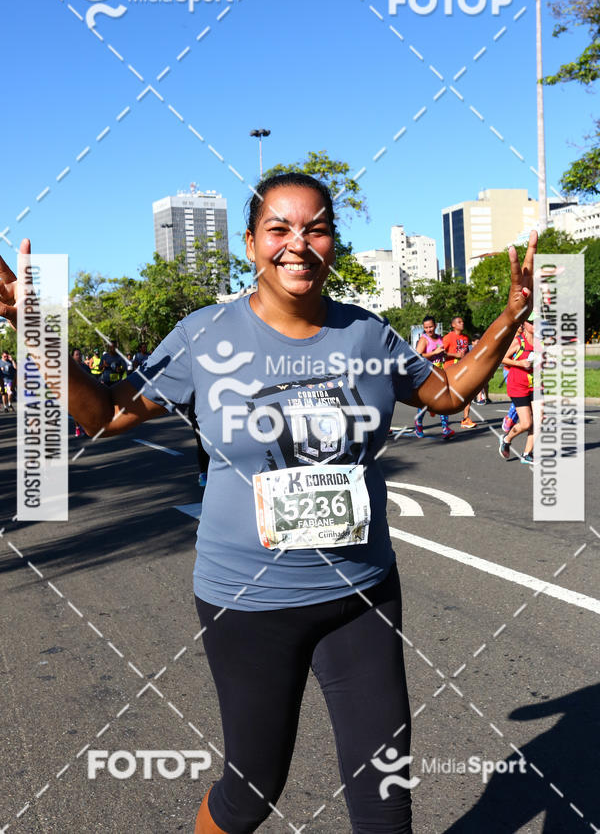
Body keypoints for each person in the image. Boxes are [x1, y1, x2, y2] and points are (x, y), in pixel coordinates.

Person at [0, 178, 537, 834]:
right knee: (250, 794)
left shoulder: (366, 334)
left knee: (386, 801)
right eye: (279, 230)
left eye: (315, 228)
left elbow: (448, 393)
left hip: (363, 593)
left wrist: (513, 315)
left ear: (333, 244)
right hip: (248, 603)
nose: (298, 244)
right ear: (252, 243)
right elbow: (108, 414)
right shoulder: (204, 336)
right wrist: (33, 328)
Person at [498, 315, 535, 464]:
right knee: (526, 424)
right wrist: (520, 363)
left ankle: (527, 454)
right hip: (518, 385)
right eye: (531, 322)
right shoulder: (518, 341)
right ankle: (507, 439)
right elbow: (502, 358)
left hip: (536, 384)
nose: (534, 325)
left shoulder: (541, 342)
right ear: (524, 324)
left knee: (538, 421)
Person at [414, 315, 455, 439]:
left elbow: (443, 353)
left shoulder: (440, 339)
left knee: (444, 399)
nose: (429, 330)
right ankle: (418, 424)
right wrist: (434, 353)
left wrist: (450, 354)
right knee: (425, 402)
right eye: (426, 328)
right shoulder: (424, 339)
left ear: (435, 326)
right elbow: (417, 356)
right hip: (427, 373)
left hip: (440, 372)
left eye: (431, 327)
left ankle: (445, 428)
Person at [443, 317, 477, 429]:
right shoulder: (448, 337)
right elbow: (442, 353)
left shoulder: (465, 338)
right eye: (459, 322)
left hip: (463, 370)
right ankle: (443, 422)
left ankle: (466, 418)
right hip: (450, 370)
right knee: (447, 397)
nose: (462, 324)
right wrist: (455, 355)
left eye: (463, 321)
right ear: (453, 325)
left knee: (468, 393)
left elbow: (466, 353)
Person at [71, 348, 91, 436]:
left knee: (85, 411)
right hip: (74, 393)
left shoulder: (85, 367)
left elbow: (91, 379)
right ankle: (77, 428)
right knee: (76, 412)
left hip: (85, 392)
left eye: (80, 354)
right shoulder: (69, 368)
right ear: (72, 356)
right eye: (77, 355)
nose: (79, 356)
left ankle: (84, 427)